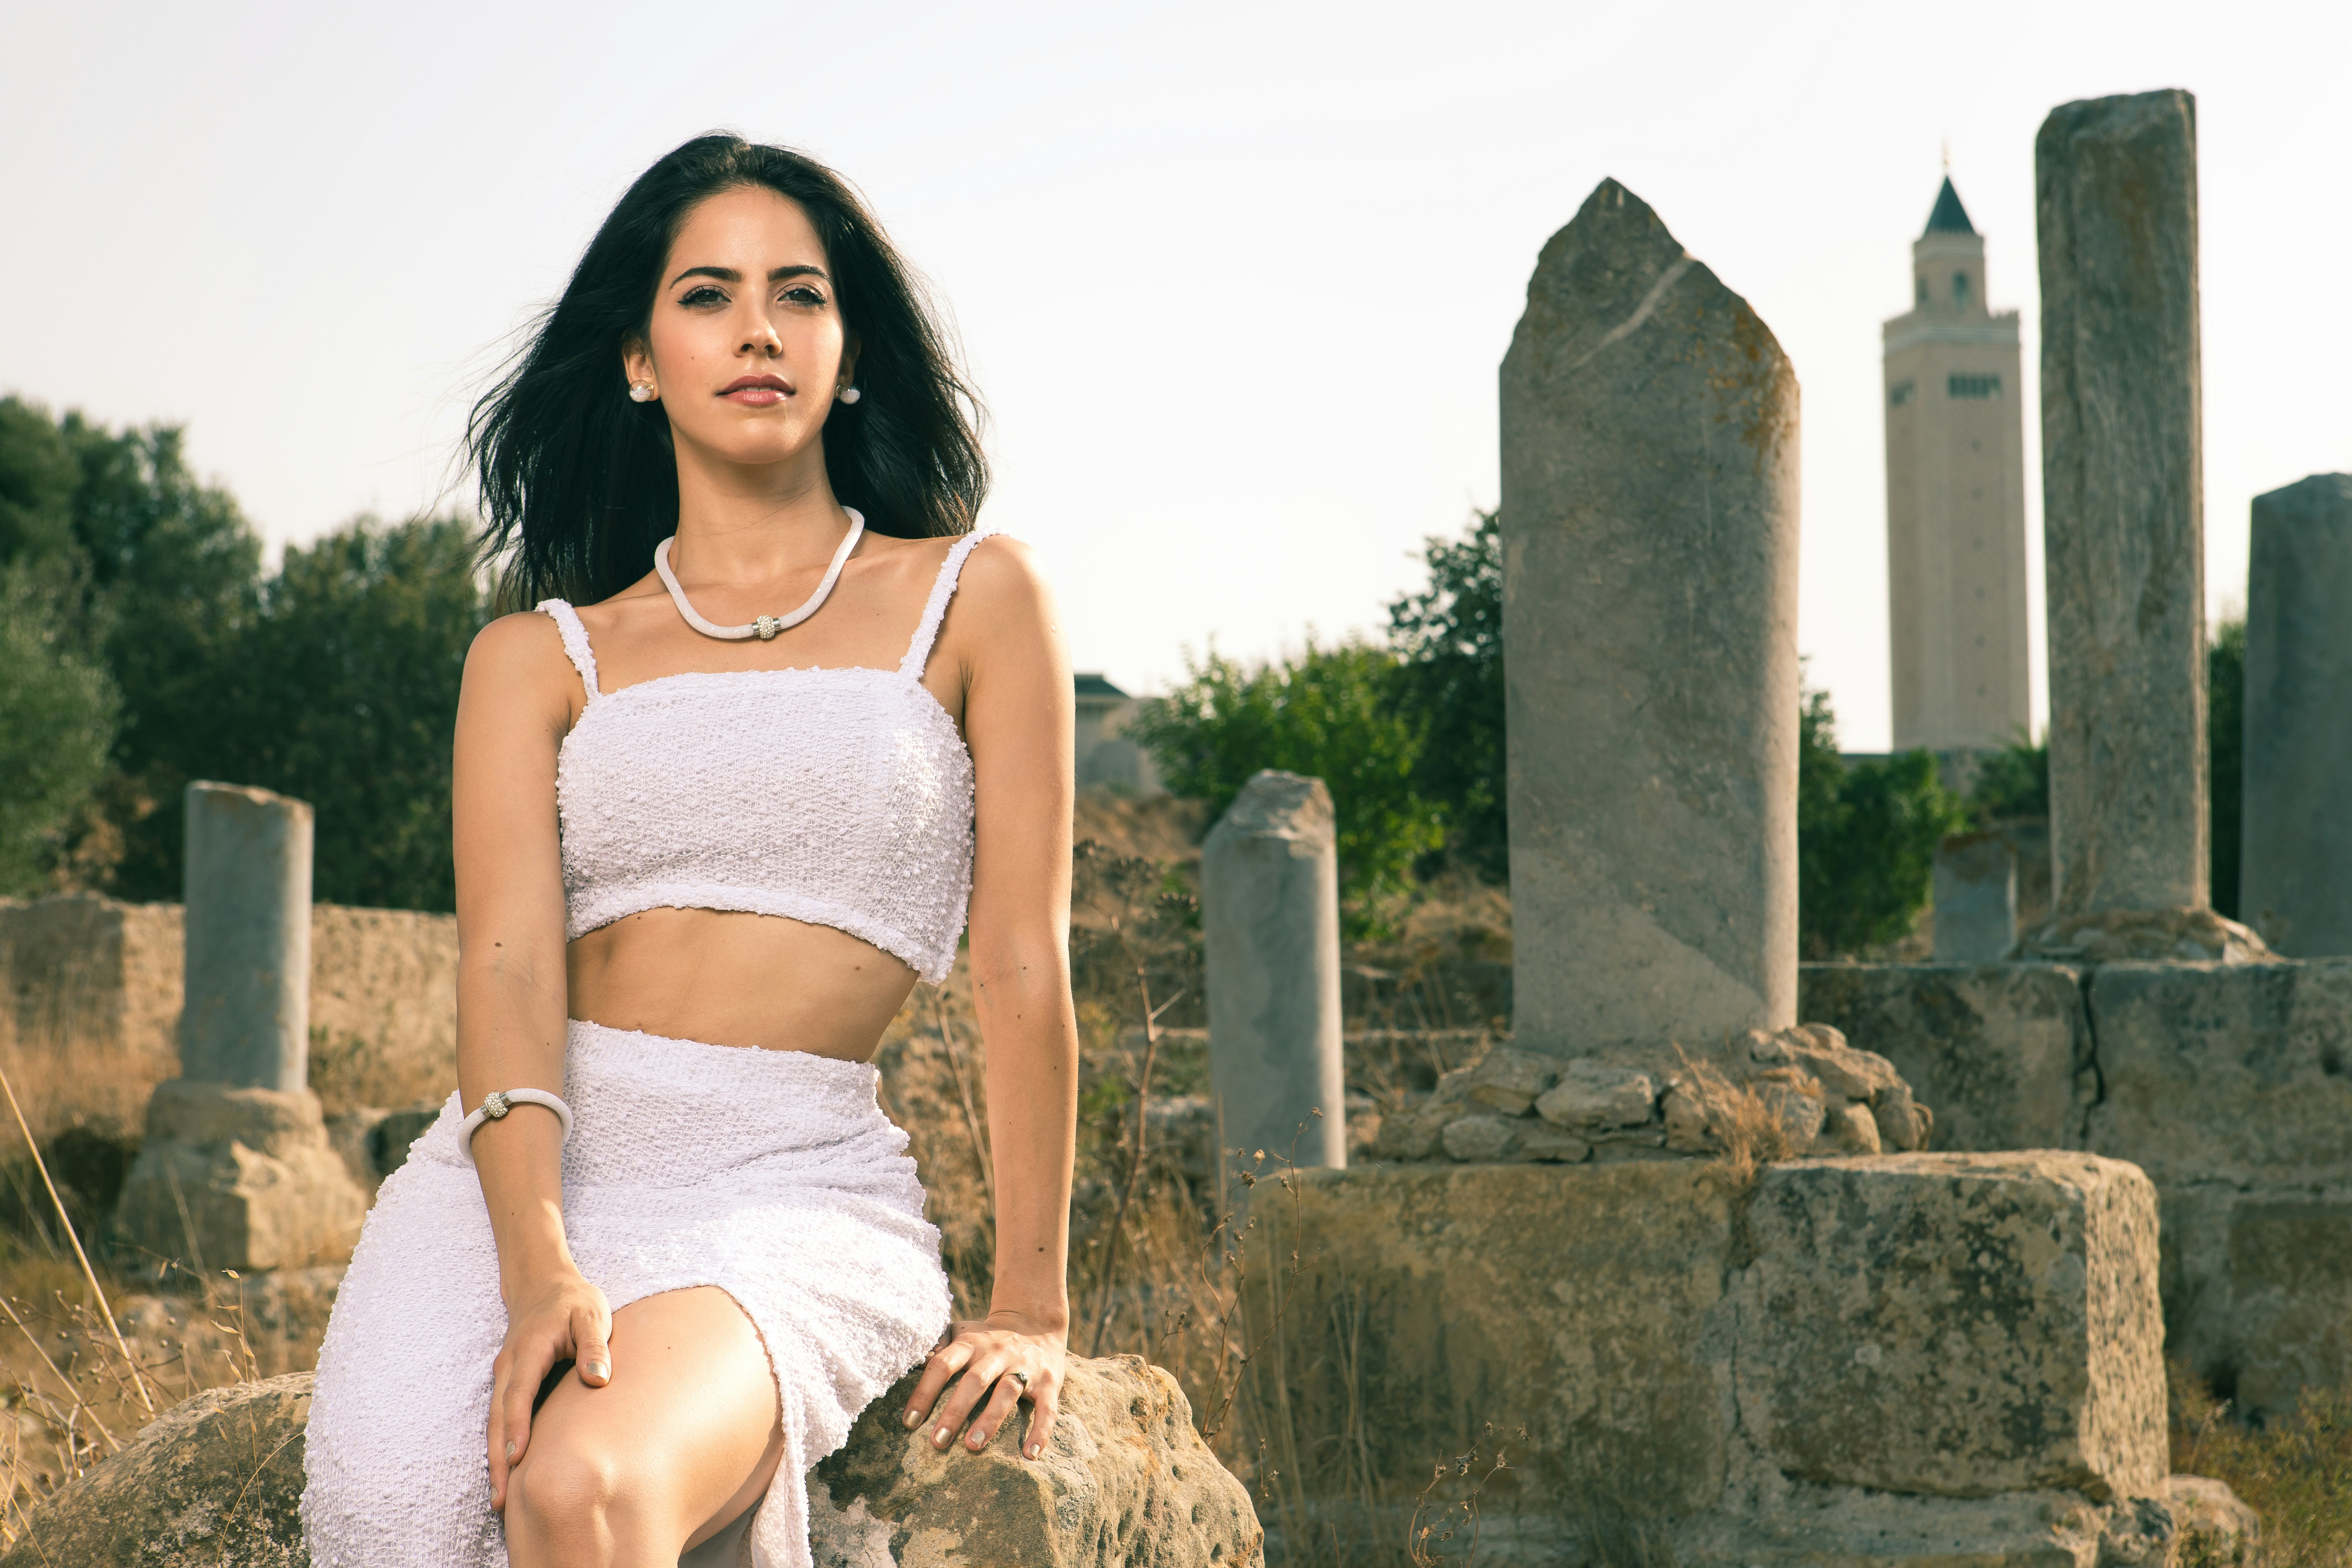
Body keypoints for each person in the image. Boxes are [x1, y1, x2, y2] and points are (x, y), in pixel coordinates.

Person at [300, 134, 1078, 1568]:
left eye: (801, 294)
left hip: (788, 1176)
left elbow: (1025, 956)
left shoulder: (976, 597)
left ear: (850, 352)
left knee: (582, 1487)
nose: (761, 330)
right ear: (642, 359)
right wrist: (539, 1267)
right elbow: (511, 969)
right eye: (709, 296)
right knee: (392, 1509)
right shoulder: (537, 660)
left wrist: (1031, 1302)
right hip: (528, 1182)